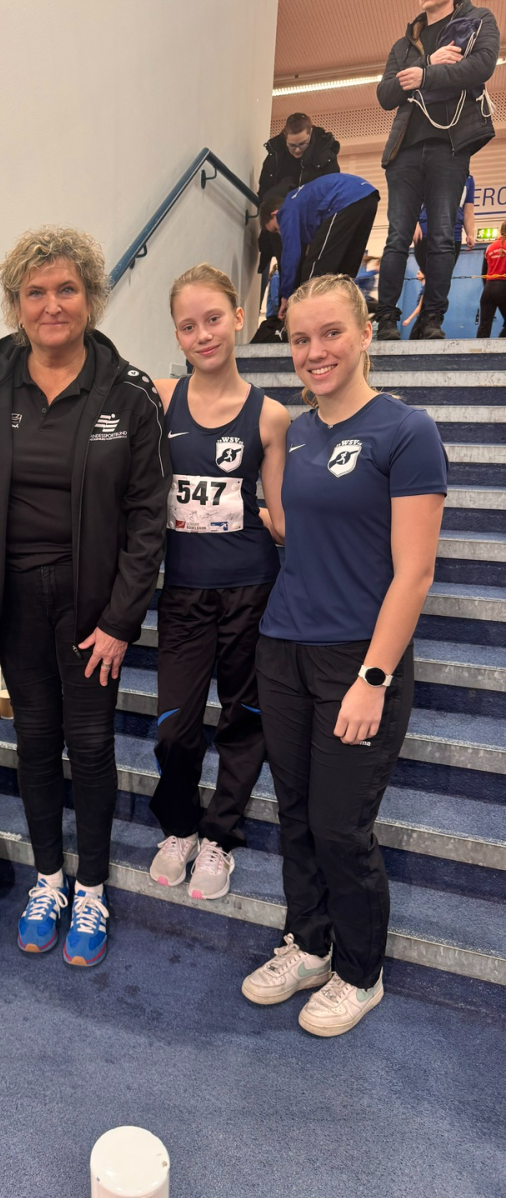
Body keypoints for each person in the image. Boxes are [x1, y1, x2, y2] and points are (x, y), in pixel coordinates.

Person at [0, 225, 170, 968]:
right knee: (35, 739)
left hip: (93, 606)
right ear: (16, 304)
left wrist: (121, 620)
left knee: (91, 744)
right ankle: (48, 880)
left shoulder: (129, 393)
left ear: (91, 297)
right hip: (12, 601)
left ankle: (92, 888)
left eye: (67, 288)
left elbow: (148, 518)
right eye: (35, 292)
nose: (52, 305)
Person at [244, 274, 447, 1037]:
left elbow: (414, 573)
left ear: (365, 333)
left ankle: (360, 973)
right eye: (301, 338)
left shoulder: (407, 430)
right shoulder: (297, 433)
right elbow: (304, 533)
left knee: (340, 827)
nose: (315, 350)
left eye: (331, 332)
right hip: (283, 649)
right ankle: (310, 945)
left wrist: (373, 677)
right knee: (296, 816)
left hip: (357, 661)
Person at [146, 264, 288, 900]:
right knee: (174, 724)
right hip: (183, 591)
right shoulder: (160, 398)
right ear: (176, 334)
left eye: (212, 320)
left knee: (243, 718)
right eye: (187, 325)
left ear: (238, 318)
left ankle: (220, 837)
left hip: (251, 587)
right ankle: (179, 826)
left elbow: (280, 517)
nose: (202, 335)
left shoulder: (271, 416)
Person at [375, 0, 498, 341]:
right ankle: (386, 319)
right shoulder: (404, 44)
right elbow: (385, 95)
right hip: (404, 150)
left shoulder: (477, 20)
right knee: (397, 237)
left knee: (443, 236)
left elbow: (481, 66)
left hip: (451, 145)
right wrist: (428, 62)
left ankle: (432, 319)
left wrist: (424, 77)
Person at [260, 175, 380, 320]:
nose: (280, 233)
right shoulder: (302, 204)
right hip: (368, 195)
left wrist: (285, 296)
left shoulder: (286, 210)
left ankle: (307, 317)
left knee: (313, 272)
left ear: (275, 214)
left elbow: (290, 255)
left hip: (344, 197)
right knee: (345, 272)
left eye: (275, 229)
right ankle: (343, 314)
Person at [256, 114, 341, 286]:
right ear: (284, 138)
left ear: (310, 133)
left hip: (310, 224)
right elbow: (264, 191)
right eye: (292, 145)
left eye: (302, 144)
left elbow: (332, 195)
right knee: (286, 269)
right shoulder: (275, 155)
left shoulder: (325, 154)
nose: (297, 150)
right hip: (282, 219)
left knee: (309, 273)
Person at [414, 173, 476, 274]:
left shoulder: (468, 179)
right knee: (430, 275)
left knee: (444, 276)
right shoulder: (428, 171)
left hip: (454, 235)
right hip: (426, 232)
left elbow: (468, 211)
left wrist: (470, 234)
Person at [477, 220, 506, 337]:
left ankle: (479, 348)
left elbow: (483, 273)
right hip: (504, 287)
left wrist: (488, 288)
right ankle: (501, 343)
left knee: (484, 324)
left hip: (489, 288)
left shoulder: (489, 247)